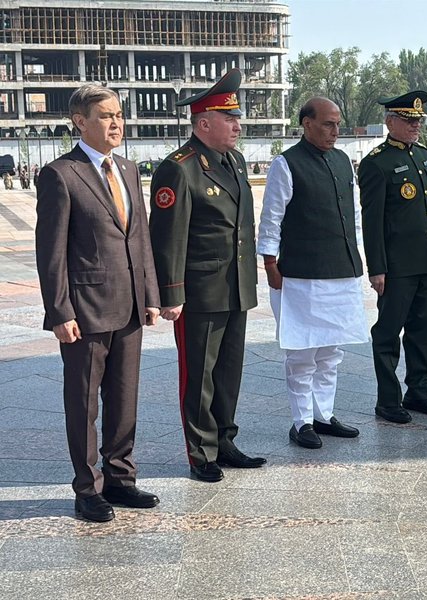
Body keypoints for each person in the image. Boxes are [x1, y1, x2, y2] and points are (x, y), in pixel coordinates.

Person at [35, 84, 161, 522]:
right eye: (105, 116)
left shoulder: (127, 170)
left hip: (128, 307)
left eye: (119, 115)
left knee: (124, 399)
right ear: (80, 121)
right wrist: (59, 311)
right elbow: (50, 252)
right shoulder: (61, 174)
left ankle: (121, 479)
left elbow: (140, 238)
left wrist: (150, 296)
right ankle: (87, 488)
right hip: (84, 312)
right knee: (84, 403)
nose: (116, 123)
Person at [148, 69, 265, 482]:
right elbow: (167, 237)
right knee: (198, 374)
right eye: (229, 118)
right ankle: (201, 452)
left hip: (235, 286)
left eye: (238, 118)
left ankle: (225, 440)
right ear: (203, 124)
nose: (238, 125)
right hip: (199, 290)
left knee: (228, 371)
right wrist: (171, 293)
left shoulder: (234, 160)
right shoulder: (179, 169)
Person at [258, 96, 368, 449]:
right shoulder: (286, 163)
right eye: (327, 124)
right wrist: (270, 264)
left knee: (330, 353)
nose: (335, 131)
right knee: (302, 353)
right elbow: (271, 219)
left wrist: (357, 256)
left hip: (340, 270)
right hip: (301, 274)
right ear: (307, 123)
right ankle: (301, 420)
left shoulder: (341, 161)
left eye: (338, 124)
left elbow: (352, 217)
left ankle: (324, 414)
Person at [358, 91, 427, 424]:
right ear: (390, 121)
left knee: (422, 332)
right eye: (409, 120)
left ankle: (419, 392)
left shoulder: (424, 155)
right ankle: (388, 400)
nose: (415, 126)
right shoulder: (376, 163)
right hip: (396, 268)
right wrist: (377, 268)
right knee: (388, 334)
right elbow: (373, 221)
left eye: (418, 120)